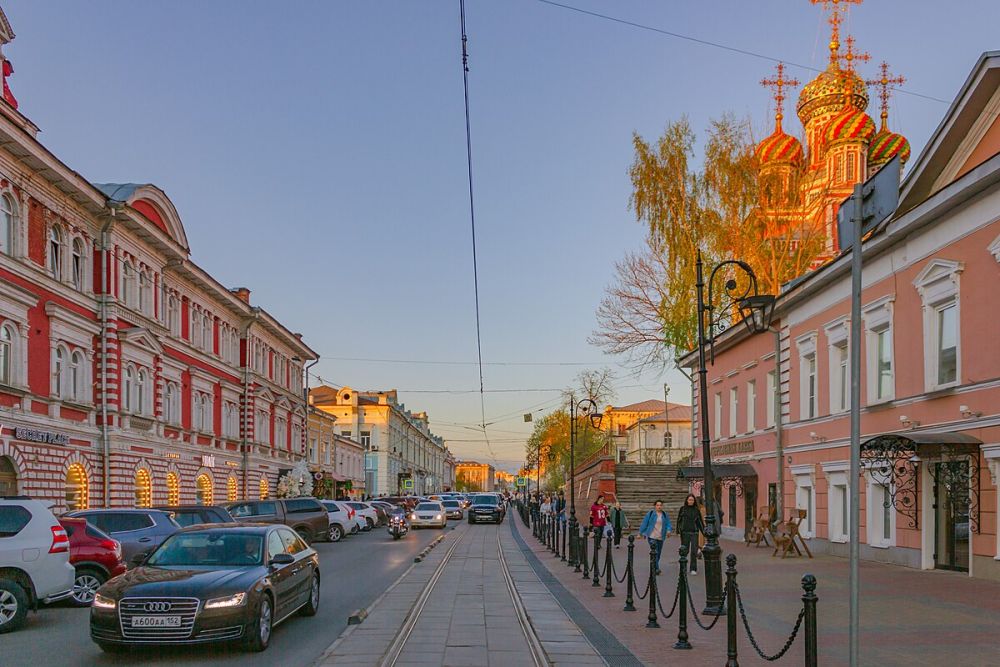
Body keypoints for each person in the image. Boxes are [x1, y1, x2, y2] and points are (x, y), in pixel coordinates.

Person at [637, 500, 672, 575]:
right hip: (652, 536)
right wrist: (640, 532)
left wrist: (669, 530)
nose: (659, 507)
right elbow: (644, 523)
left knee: (658, 553)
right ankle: (657, 569)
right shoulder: (650, 514)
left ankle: (653, 566)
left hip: (660, 536)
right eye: (657, 505)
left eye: (660, 505)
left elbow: (668, 523)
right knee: (655, 552)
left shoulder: (665, 515)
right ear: (655, 506)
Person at [676, 493, 705, 573]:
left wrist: (704, 531)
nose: (691, 501)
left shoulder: (696, 510)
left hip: (694, 532)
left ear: (694, 501)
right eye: (689, 500)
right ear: (687, 500)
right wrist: (678, 531)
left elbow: (699, 522)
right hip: (685, 532)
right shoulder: (683, 509)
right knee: (685, 550)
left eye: (692, 500)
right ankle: (683, 567)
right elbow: (679, 520)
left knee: (694, 551)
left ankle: (693, 568)